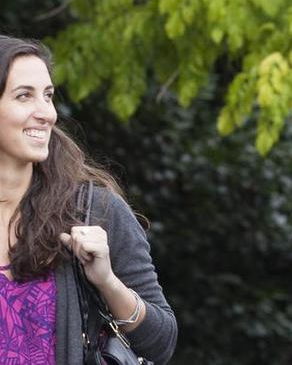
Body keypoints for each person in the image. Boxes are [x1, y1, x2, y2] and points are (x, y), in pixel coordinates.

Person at [0, 35, 177, 364]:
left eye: (48, 96)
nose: (47, 113)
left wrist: (107, 280)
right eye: (24, 96)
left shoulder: (93, 211)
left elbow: (161, 343)